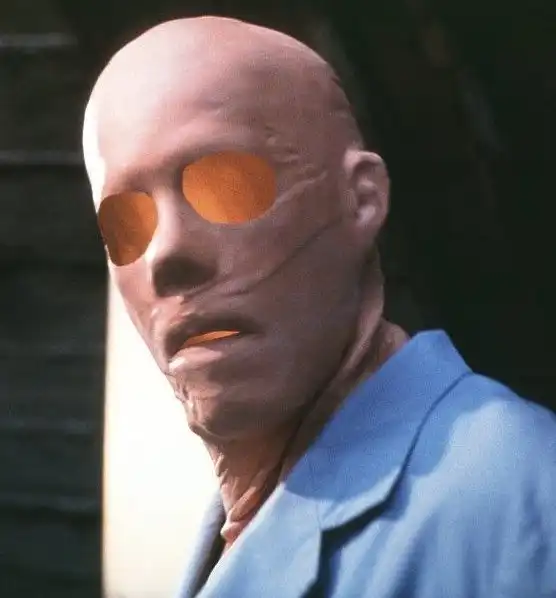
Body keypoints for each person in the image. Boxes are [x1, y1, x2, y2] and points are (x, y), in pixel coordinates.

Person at [82, 16, 556, 598]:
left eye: (227, 187)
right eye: (126, 224)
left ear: (362, 199)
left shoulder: (522, 505)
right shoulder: (234, 524)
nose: (166, 254)